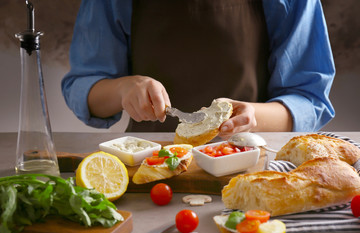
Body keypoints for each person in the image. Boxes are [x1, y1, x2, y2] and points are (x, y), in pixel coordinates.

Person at [62, 0, 335, 139]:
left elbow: (309, 99)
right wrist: (122, 89)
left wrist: (253, 117)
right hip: (150, 166)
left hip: (253, 166)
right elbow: (84, 88)